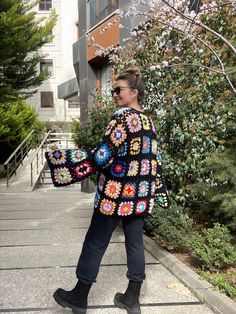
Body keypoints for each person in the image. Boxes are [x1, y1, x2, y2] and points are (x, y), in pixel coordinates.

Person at [45, 67, 169, 314]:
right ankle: (131, 299)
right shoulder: (149, 122)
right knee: (135, 244)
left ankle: (79, 296)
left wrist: (66, 161)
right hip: (139, 196)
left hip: (115, 195)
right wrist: (156, 189)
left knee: (95, 242)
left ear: (134, 92)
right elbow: (154, 159)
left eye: (118, 89)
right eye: (113, 89)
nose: (114, 94)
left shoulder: (122, 118)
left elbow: (102, 155)